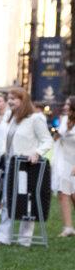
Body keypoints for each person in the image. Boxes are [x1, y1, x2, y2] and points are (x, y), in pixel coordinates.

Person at [0, 87, 52, 246]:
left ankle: (25, 239)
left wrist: (37, 153)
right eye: (9, 98)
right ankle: (3, 236)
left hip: (27, 166)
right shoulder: (12, 118)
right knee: (7, 199)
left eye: (14, 98)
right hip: (11, 164)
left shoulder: (35, 118)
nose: (10, 101)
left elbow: (47, 140)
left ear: (23, 101)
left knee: (26, 200)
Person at [55, 97, 75, 237]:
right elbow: (59, 136)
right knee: (63, 194)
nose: (65, 106)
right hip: (64, 161)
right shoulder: (64, 119)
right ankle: (68, 227)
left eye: (68, 104)